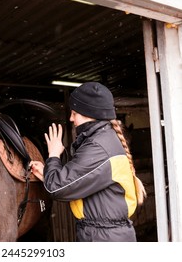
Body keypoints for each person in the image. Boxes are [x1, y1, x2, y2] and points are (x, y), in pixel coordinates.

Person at [31, 82, 146, 242]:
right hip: (103, 235)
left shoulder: (99, 147)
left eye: (74, 113)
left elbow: (58, 189)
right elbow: (78, 183)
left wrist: (54, 155)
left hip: (104, 240)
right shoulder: (103, 140)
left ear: (89, 113)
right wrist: (48, 174)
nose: (71, 118)